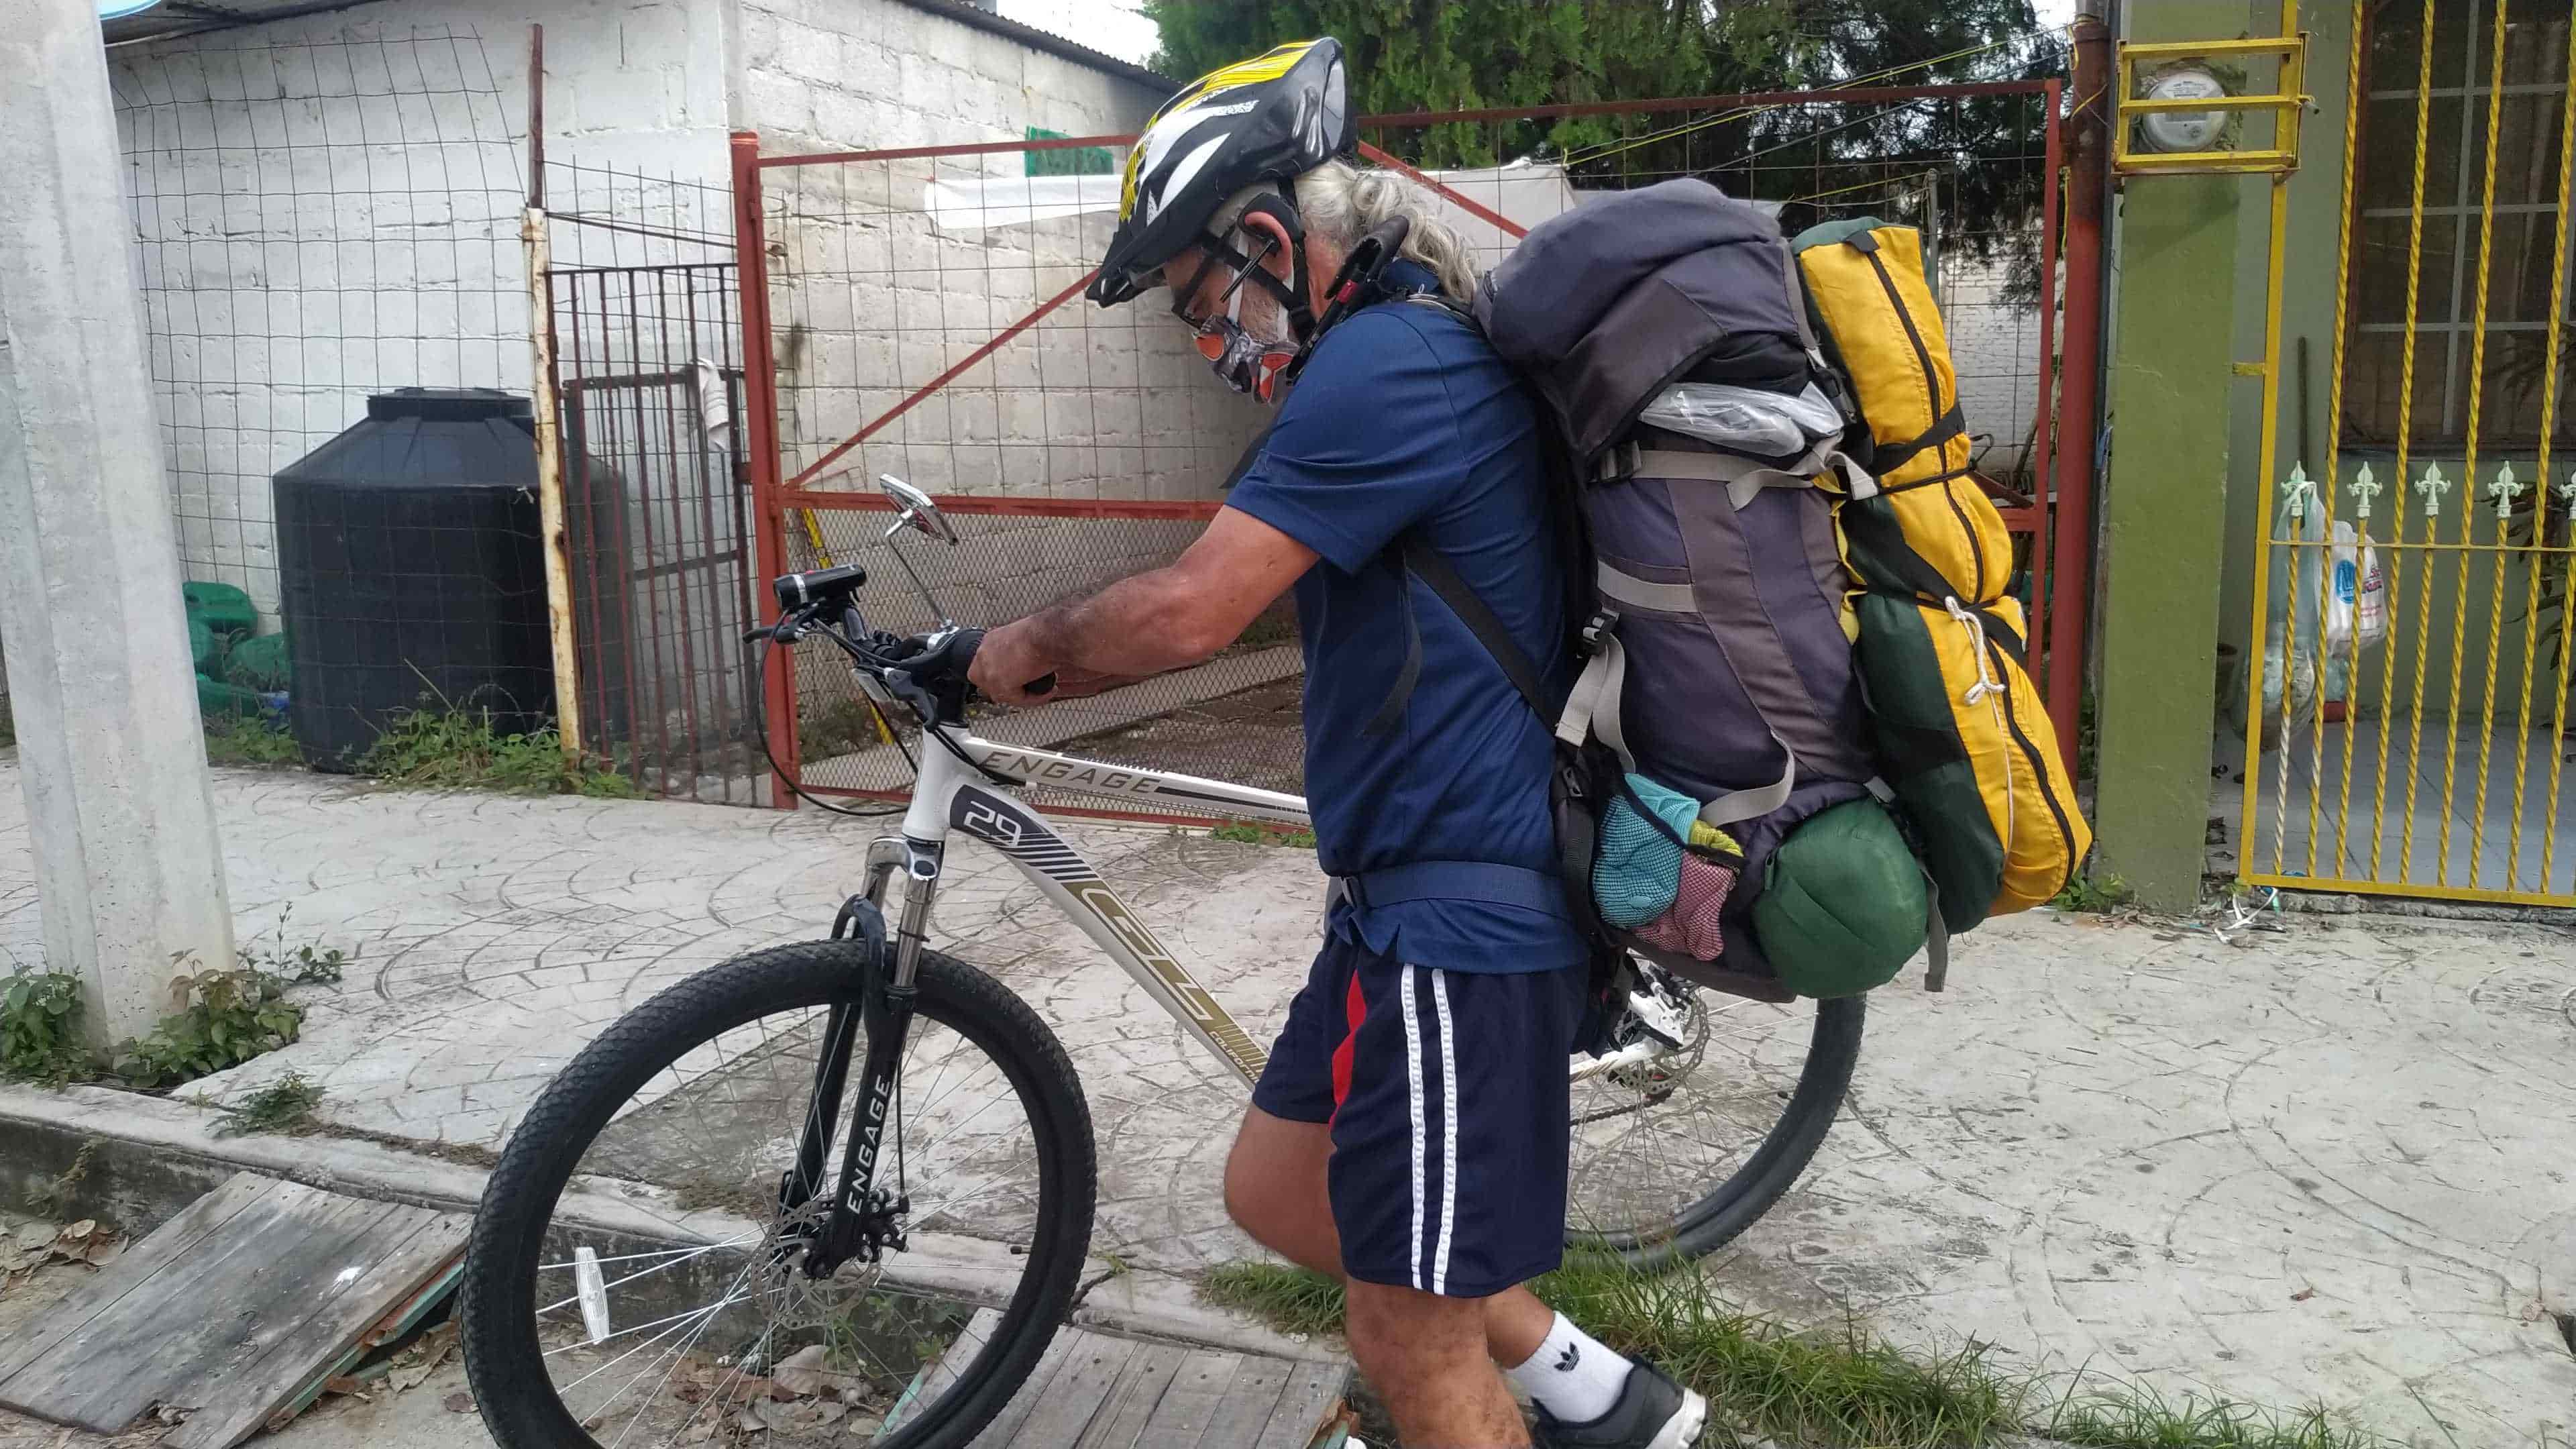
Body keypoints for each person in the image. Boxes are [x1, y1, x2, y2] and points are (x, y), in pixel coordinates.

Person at [967, 38, 1707, 1449]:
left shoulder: (1388, 366)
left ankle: (1514, 1408)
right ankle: (1602, 1404)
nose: (1208, 344)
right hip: (1393, 910)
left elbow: (1192, 612)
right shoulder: (1397, 355)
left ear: (1264, 240)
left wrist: (1011, 649)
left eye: (1198, 306)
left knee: (1405, 1339)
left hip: (1460, 923)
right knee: (1277, 1192)